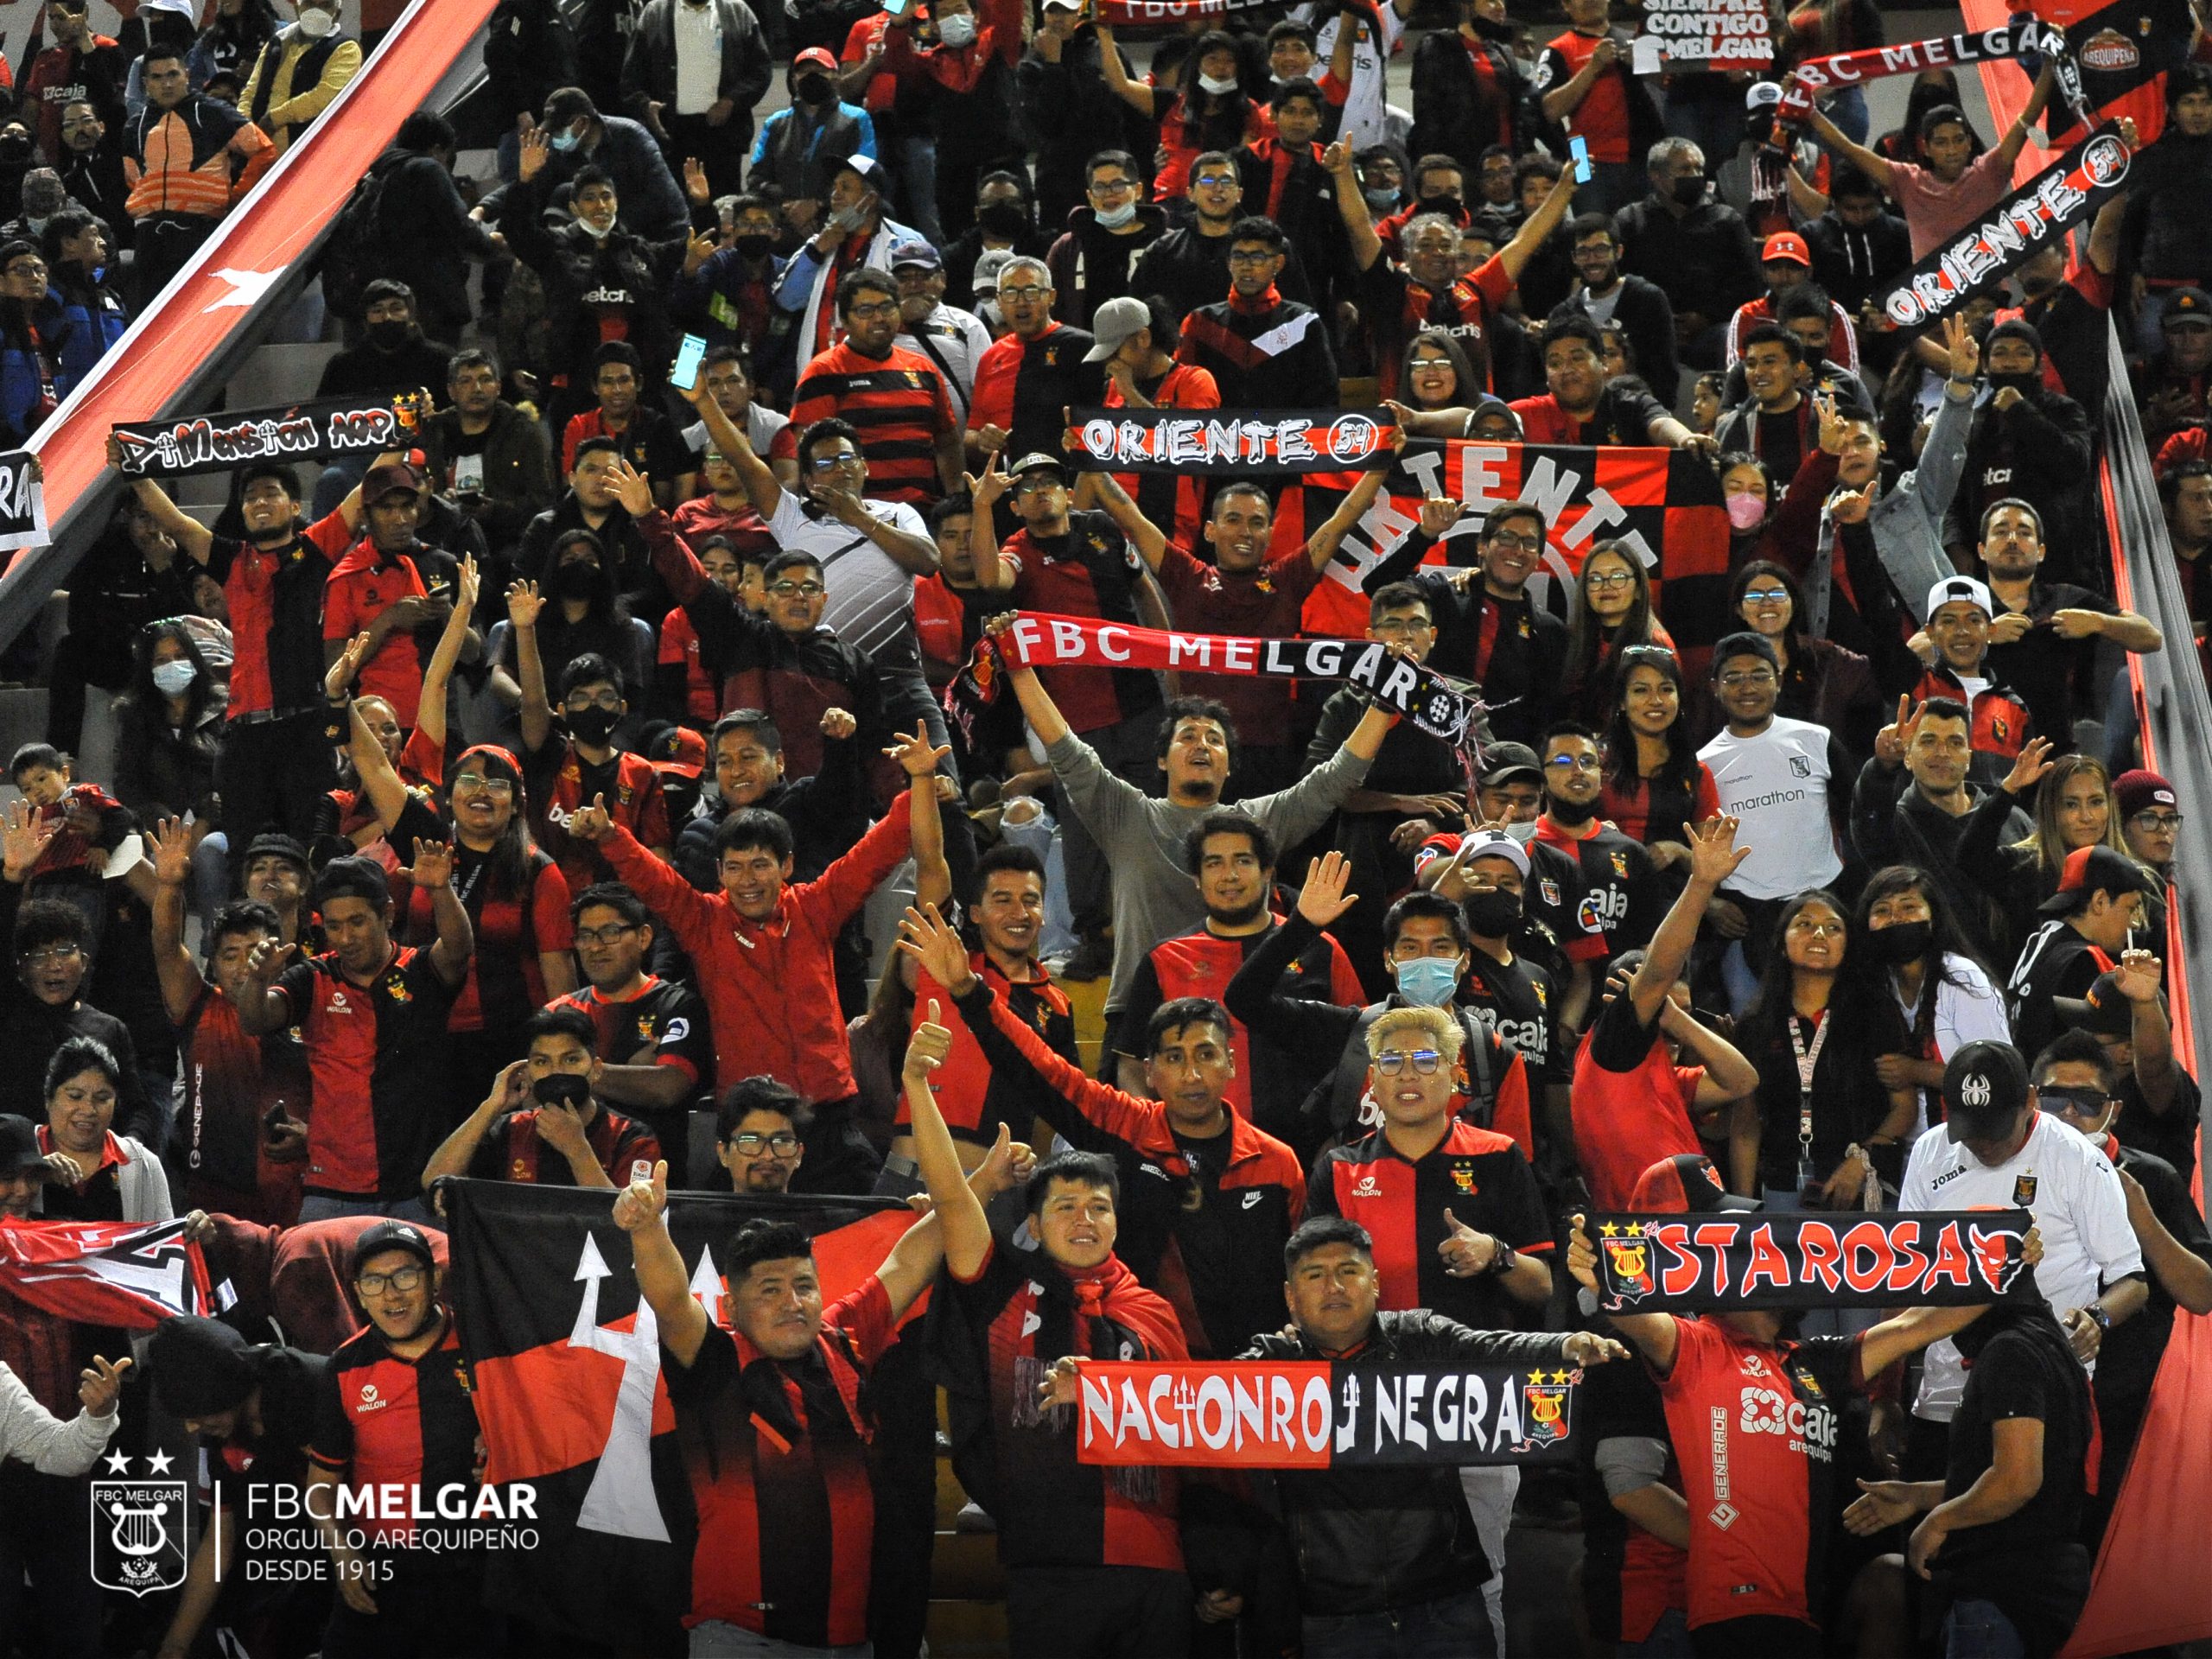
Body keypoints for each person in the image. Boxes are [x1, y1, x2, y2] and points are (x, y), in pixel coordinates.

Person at [1042, 1214, 1630, 1658]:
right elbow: (1192, 1402)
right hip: (1334, 1615)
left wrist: (1564, 1346)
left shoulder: (1421, 1335)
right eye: (1316, 1276)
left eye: (1349, 1271)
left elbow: (1494, 1350)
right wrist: (1097, 1392)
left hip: (1445, 1600)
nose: (1335, 1287)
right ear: (1291, 1299)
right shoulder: (1270, 1364)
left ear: (1374, 1283)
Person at [902, 998, 1203, 1659]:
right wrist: (918, 1088)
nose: (1085, 1218)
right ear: (1033, 1225)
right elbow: (953, 1199)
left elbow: (1195, 1423)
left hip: (1157, 1566)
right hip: (1046, 1563)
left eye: (1099, 1206)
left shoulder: (1154, 1312)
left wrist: (1099, 1392)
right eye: (1065, 1206)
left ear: (1119, 1222)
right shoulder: (1002, 1289)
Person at [1565, 1212, 2005, 1658]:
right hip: (1728, 1611)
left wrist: (2003, 1263)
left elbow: (1921, 1326)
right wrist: (1600, 1273)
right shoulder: (1696, 1346)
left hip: (1802, 1609)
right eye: (1753, 1255)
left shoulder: (1816, 1362)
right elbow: (1634, 1310)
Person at [906, 899, 1304, 1360]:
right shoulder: (1125, 1125)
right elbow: (1044, 1071)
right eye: (1174, 1059)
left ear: (1231, 1064)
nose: (1192, 1074)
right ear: (1150, 1072)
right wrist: (966, 990)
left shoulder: (1278, 1163)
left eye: (1206, 1055)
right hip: (1141, 1378)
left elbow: (1298, 1275)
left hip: (1259, 1385)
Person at [567, 725, 944, 1192]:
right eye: (736, 867)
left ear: (786, 866)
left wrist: (921, 783)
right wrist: (609, 835)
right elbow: (654, 882)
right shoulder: (704, 922)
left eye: (761, 864)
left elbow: (878, 850)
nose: (748, 880)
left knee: (871, 1231)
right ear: (719, 872)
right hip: (750, 1129)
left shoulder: (816, 907)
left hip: (828, 1123)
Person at [984, 616, 1389, 1023]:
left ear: (1230, 766)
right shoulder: (1125, 812)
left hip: (1235, 1016)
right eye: (1188, 737)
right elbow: (1064, 747)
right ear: (1162, 759)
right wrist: (1019, 665)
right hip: (1138, 1014)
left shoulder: (1257, 822)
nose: (1202, 746)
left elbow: (1335, 779)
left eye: (1215, 740)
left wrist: (1383, 703)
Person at [1896, 1041, 2145, 1490]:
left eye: (1995, 1130)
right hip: (1944, 1393)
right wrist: (1883, 1395)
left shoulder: (2076, 1159)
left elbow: (2133, 1279)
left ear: (2030, 1101)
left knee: (2024, 1543)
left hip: (2043, 1393)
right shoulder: (1930, 1152)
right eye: (1970, 1132)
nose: (1984, 1145)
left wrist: (2098, 1319)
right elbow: (1903, 1274)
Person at [1079, 461, 1389, 800]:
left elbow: (1343, 518)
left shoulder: (1287, 579)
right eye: (1233, 520)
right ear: (1210, 530)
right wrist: (1088, 459)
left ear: (1270, 533)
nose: (1245, 531)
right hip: (1197, 749)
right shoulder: (1188, 577)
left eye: (1257, 523)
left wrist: (1382, 462)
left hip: (1268, 755)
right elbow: (1130, 517)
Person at [2027, 1025, 2211, 1541]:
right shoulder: (2006, 1173)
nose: (2069, 1113)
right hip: (2037, 1396)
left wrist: (2143, 1217)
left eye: (2087, 1101)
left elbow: (2202, 1293)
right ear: (2032, 1100)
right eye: (2056, 1097)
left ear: (2114, 1110)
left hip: (2129, 1408)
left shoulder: (2150, 1176)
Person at [232, 853, 472, 1220]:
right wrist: (258, 979)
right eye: (334, 925)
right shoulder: (313, 978)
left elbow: (458, 950)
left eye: (357, 922)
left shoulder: (420, 970)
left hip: (416, 1189)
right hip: (330, 1189)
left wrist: (440, 891)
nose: (345, 938)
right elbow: (255, 1019)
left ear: (388, 914)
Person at [304, 1217, 502, 1658]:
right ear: (358, 1294)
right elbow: (320, 1488)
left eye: (406, 1275)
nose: (391, 1293)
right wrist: (341, 1555)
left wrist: (505, 1442)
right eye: (374, 1281)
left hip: (475, 1563)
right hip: (379, 1567)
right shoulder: (343, 1368)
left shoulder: (483, 1344)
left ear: (434, 1281)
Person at [1110, 812, 1362, 1122]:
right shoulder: (1164, 958)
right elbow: (1133, 1064)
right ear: (1197, 880)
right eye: (1214, 863)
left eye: (1243, 861)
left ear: (1267, 872)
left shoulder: (1322, 949)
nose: (1229, 875)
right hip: (1197, 1148)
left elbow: (1360, 1048)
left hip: (1309, 1147)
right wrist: (1156, 1132)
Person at [1568, 817, 1760, 1209]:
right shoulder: (1611, 1053)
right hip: (1642, 1237)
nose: (1678, 1024)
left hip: (1695, 1219)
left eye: (1686, 1011)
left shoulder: (1668, 1075)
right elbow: (1658, 970)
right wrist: (1701, 884)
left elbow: (1742, 1082)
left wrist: (1675, 1019)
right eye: (1666, 1006)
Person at [144, 817, 310, 1225]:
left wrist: (316, 1136)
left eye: (255, 951)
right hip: (210, 1199)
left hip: (296, 1194)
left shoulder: (310, 1004)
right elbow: (166, 947)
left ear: (279, 953)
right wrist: (168, 887)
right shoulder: (200, 1006)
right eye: (230, 955)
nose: (242, 966)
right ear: (214, 964)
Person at [148, 1313, 332, 1659]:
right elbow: (220, 1540)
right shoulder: (220, 1433)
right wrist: (175, 1646)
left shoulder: (316, 1389)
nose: (191, 1428)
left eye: (198, 1413)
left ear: (227, 1388)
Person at [1697, 633, 1847, 995]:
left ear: (1779, 680)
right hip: (1748, 921)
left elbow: (1856, 817)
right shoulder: (1704, 763)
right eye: (1734, 678)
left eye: (1759, 675)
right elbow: (1700, 847)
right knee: (1754, 1033)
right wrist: (1711, 904)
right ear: (1715, 687)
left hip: (1825, 903)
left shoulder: (1817, 740)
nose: (1747, 687)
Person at [544, 882, 713, 1180]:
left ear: (644, 936)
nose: (595, 947)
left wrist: (572, 1074)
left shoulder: (678, 1005)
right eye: (585, 936)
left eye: (610, 933)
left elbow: (667, 1088)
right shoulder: (557, 1012)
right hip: (565, 1181)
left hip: (655, 1179)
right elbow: (535, 1094)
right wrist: (628, 1074)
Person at [1803, 67, 2058, 260]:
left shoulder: (1987, 172)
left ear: (1969, 142)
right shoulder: (1909, 181)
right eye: (1942, 143)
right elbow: (1849, 148)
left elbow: (2029, 117)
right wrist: (1807, 107)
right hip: (1931, 298)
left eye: (1958, 140)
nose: (1952, 150)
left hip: (1988, 295)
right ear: (1926, 148)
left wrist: (2050, 63)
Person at [1974, 497, 2161, 750]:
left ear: (2041, 552)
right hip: (1979, 753)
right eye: (2001, 531)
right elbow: (1920, 646)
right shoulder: (1965, 602)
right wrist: (1983, 633)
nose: (2012, 539)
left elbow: (2151, 637)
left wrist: (2098, 621)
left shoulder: (2066, 598)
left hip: (2055, 753)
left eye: (2024, 532)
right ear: (1982, 550)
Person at [423, 1007, 662, 1191]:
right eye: (542, 1062)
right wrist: (491, 1107)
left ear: (596, 1069)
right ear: (527, 1073)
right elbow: (433, 1180)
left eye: (571, 1060)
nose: (556, 1070)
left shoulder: (633, 1137)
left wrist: (577, 1149)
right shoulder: (509, 1129)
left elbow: (634, 1223)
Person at [1854, 864, 2010, 1142]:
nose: (1896, 919)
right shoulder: (1876, 984)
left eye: (1909, 907)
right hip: (1909, 1152)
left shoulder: (1960, 977)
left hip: (1970, 1145)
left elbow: (1998, 1074)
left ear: (1933, 917)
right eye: (1882, 911)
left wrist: (1915, 1071)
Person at [789, 264, 963, 508]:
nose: (879, 318)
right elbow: (807, 453)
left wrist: (955, 498)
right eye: (866, 311)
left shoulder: (923, 369)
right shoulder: (824, 372)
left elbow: (948, 441)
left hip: (923, 514)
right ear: (845, 320)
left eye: (887, 307)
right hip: (856, 515)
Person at [321, 459, 468, 733]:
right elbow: (334, 665)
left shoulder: (444, 564)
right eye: (387, 508)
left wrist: (451, 614)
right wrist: (388, 620)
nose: (400, 518)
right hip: (378, 728)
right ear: (365, 516)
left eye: (406, 506)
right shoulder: (347, 576)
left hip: (441, 722)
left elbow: (473, 654)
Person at [121, 44, 274, 302]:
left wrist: (237, 198)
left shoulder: (214, 113)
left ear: (187, 75)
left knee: (197, 310)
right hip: (150, 238)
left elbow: (264, 151)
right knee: (151, 319)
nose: (166, 84)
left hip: (200, 231)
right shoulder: (134, 125)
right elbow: (133, 178)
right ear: (146, 83)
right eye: (157, 78)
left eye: (172, 74)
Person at [1612, 137, 1760, 368]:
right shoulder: (1631, 220)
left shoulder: (1726, 220)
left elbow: (1749, 283)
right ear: (1656, 175)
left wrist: (1706, 317)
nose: (1694, 175)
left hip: (1711, 329)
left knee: (1729, 339)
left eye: (1698, 169)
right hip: (1647, 331)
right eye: (1684, 169)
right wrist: (1658, 318)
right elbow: (1617, 282)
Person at [2005, 844, 2153, 1065]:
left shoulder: (2042, 938)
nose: (2133, 923)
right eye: (2130, 908)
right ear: (2100, 901)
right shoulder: (2082, 961)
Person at [1173, 216, 1338, 409]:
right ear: (1228, 263)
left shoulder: (1302, 324)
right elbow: (1182, 393)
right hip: (1216, 436)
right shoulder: (1201, 323)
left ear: (1278, 263)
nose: (1246, 266)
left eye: (1258, 257)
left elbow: (1323, 399)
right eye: (1238, 256)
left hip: (1286, 435)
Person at [1727, 559, 1883, 760]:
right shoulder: (1725, 671)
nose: (1767, 602)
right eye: (1754, 596)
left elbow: (1876, 681)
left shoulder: (1826, 658)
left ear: (1794, 603)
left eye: (1777, 594)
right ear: (1739, 610)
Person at [618, 0, 772, 197]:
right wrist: (645, 106)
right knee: (673, 209)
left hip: (723, 137)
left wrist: (731, 101)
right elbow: (631, 77)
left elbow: (761, 71)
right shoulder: (654, 13)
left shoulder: (738, 11)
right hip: (670, 135)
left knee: (723, 208)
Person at [422, 348, 557, 569]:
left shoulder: (523, 431)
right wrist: (442, 504)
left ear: (498, 388)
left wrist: (495, 510)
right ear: (451, 391)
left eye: (485, 380)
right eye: (466, 381)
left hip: (507, 540)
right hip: (446, 538)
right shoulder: (434, 431)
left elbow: (543, 501)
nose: (476, 389)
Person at [966, 256, 1103, 463]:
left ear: (1051, 297)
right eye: (1011, 293)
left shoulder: (1082, 347)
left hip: (1066, 478)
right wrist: (982, 440)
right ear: (999, 302)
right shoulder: (991, 357)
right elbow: (970, 434)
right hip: (1006, 482)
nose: (1021, 302)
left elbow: (1104, 425)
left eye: (1031, 292)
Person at [1536, 0, 1662, 215]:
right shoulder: (1556, 50)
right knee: (1590, 226)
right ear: (1566, 5)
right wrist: (1593, 67)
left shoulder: (1635, 41)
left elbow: (1665, 84)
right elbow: (1550, 111)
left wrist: (1644, 65)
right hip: (1582, 153)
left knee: (1643, 230)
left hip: (1642, 153)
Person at [1599, 645, 1720, 858]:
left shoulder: (1697, 774)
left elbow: (1713, 861)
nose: (1655, 700)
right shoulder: (1594, 765)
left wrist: (1679, 851)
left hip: (1678, 889)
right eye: (1641, 690)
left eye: (1666, 689)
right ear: (1621, 702)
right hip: (1603, 887)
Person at [530, 83, 690, 242]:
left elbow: (659, 197)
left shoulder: (631, 136)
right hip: (607, 238)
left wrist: (605, 227)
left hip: (661, 235)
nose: (556, 138)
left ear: (583, 122)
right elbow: (540, 194)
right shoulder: (559, 152)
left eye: (559, 131)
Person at [1557, 212, 1680, 407]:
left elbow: (1665, 374)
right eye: (1583, 252)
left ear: (1619, 252)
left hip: (1640, 416)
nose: (1592, 260)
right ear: (1574, 258)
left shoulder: (1648, 299)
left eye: (1600, 250)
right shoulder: (1564, 314)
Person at [238, 0, 359, 157]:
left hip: (310, 155)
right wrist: (244, 125)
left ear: (337, 14)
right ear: (297, 9)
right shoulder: (277, 41)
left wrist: (275, 119)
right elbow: (251, 90)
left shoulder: (346, 49)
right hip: (258, 154)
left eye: (325, 6)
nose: (316, 11)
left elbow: (324, 96)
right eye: (309, 4)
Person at [24, 0, 127, 166]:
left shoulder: (107, 48)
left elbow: (114, 103)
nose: (55, 25)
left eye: (61, 17)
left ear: (83, 14)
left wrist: (85, 43)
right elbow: (31, 109)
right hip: (50, 161)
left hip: (98, 160)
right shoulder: (45, 57)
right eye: (51, 18)